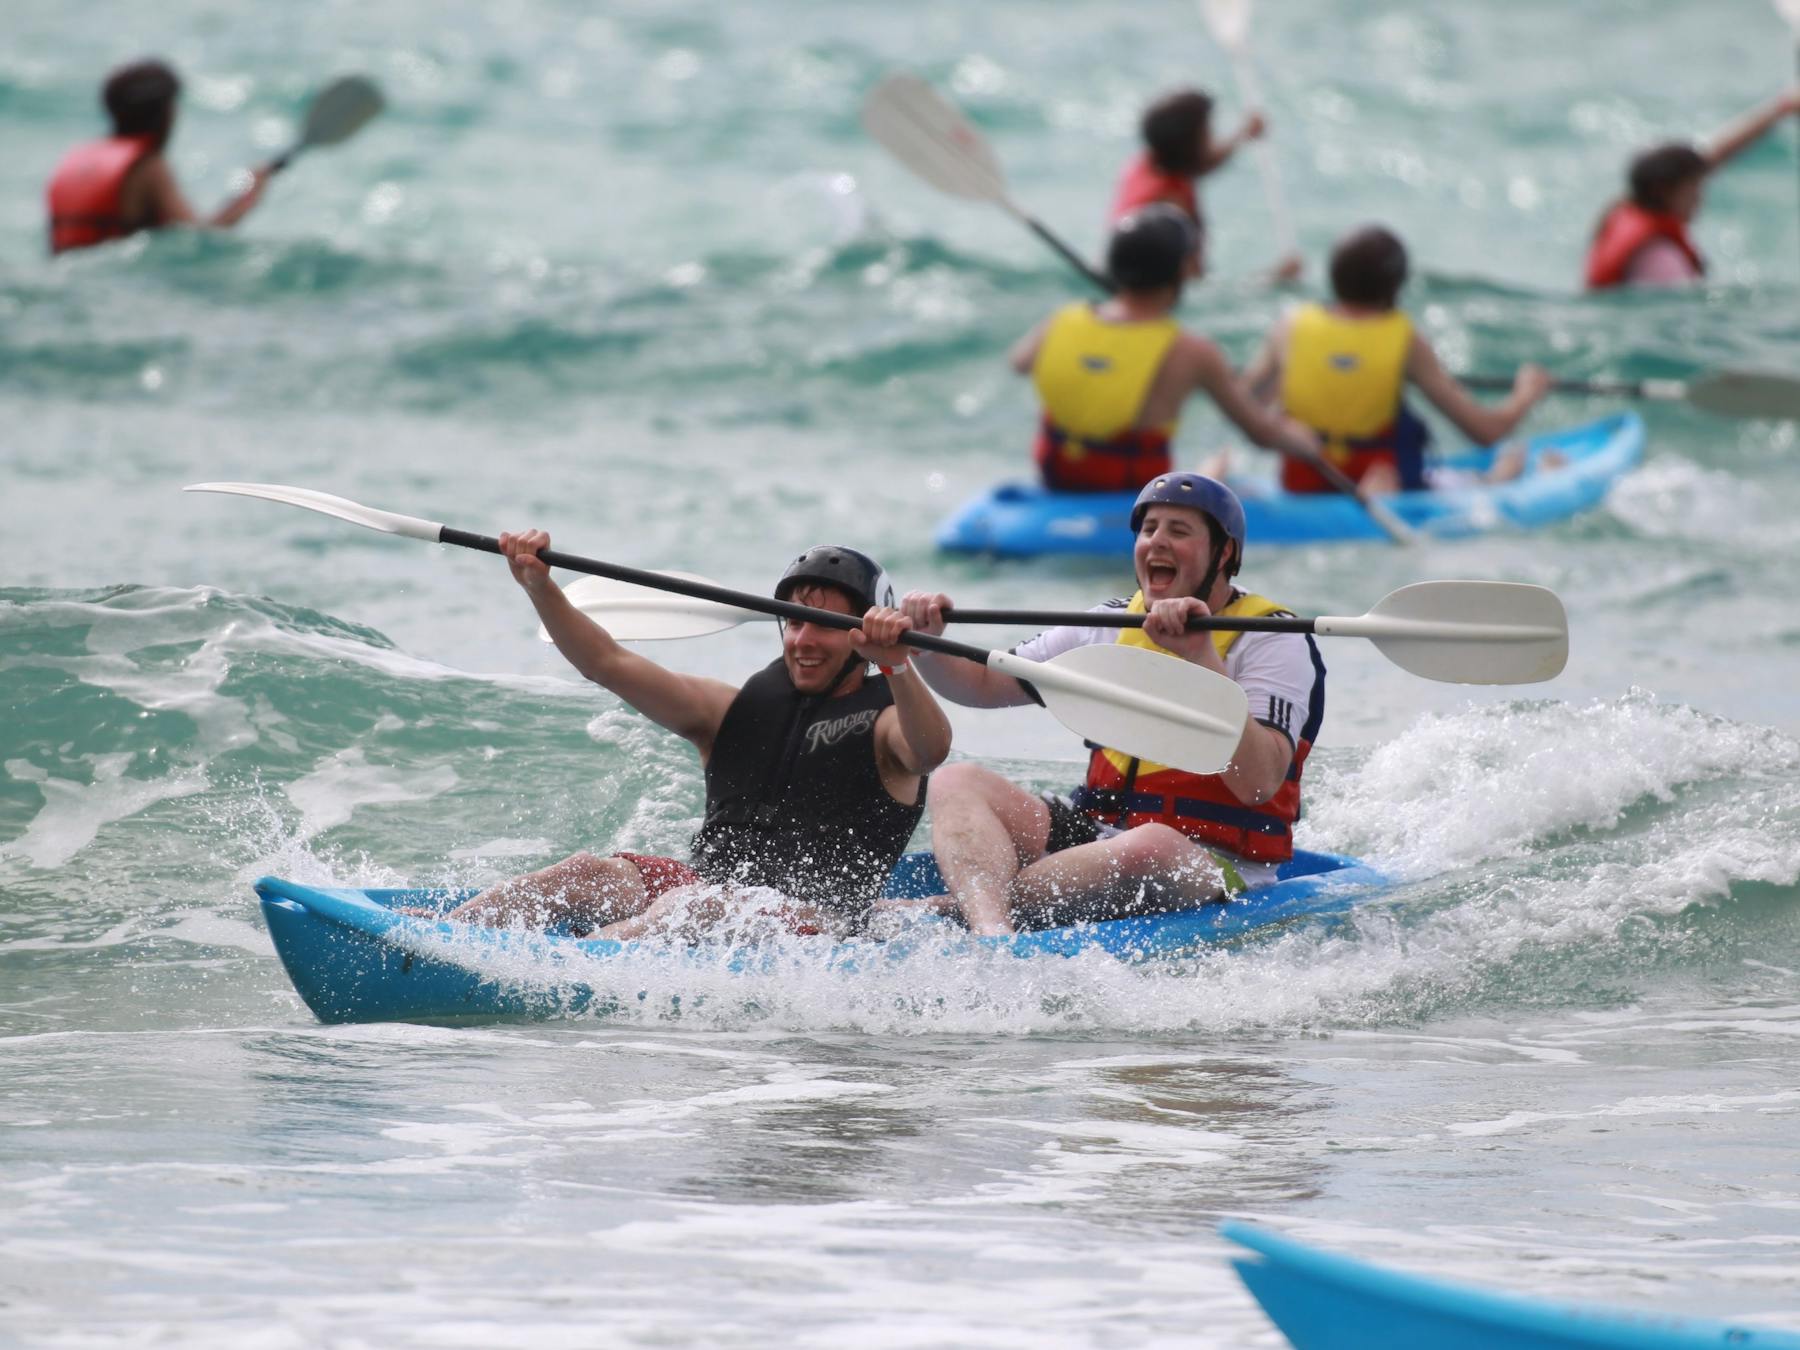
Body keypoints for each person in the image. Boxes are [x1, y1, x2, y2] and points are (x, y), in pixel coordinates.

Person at [436, 540, 952, 941]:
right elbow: (607, 664)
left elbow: (930, 750)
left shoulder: (887, 721)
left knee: (696, 907)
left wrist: (897, 662)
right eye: (794, 622)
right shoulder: (726, 712)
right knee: (588, 873)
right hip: (705, 892)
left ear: (862, 636)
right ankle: (436, 938)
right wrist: (538, 585)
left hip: (821, 923)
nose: (802, 640)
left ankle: (575, 965)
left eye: (824, 626)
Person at [894, 473, 1323, 937]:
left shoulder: (1274, 640)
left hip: (1215, 864)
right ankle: (992, 936)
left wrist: (1201, 657)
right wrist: (928, 644)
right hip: (1097, 835)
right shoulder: (1105, 623)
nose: (1157, 542)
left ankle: (944, 913)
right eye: (1149, 529)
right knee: (957, 781)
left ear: (1224, 555)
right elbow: (979, 684)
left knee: (1151, 846)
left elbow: (1258, 782)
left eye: (1179, 531)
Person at [1016, 204, 1324, 494]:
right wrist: (1307, 444)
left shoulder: (1063, 320)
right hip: (1135, 492)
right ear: (1182, 269)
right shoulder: (1192, 352)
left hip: (1057, 479)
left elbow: (1021, 362)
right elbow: (1260, 433)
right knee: (1217, 468)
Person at [1244, 224, 1550, 494]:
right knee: (1498, 467)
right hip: (1384, 484)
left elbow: (1244, 405)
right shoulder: (1404, 340)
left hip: (1302, 483)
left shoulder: (1290, 328)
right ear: (1395, 286)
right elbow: (1485, 432)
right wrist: (1526, 394)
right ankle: (1497, 479)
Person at [46, 58, 270, 255]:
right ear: (165, 113)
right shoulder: (148, 166)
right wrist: (248, 192)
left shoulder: (76, 158)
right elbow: (198, 238)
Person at [1587, 87, 1800, 289]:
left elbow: (1710, 155)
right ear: (1664, 190)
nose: (1700, 197)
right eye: (1694, 187)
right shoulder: (1658, 256)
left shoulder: (1625, 212)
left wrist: (1782, 107)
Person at [1110, 88, 1301, 281]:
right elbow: (1191, 287)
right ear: (1189, 147)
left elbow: (1199, 164)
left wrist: (1243, 135)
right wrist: (1274, 278)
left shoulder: (1148, 164)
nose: (1212, 140)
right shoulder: (1172, 209)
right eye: (1207, 134)